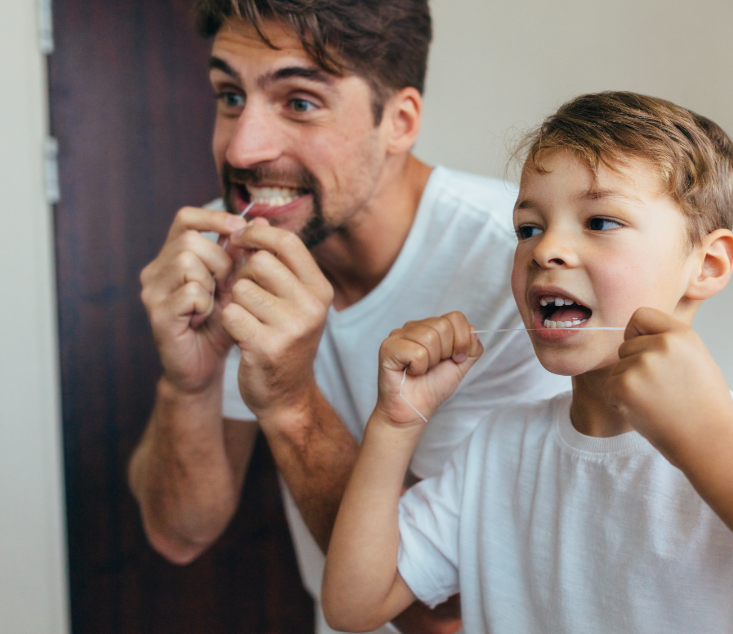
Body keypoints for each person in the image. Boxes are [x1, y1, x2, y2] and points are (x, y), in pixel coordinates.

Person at [321, 91, 733, 633]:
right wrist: (394, 426)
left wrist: (712, 439)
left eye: (600, 220)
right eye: (528, 228)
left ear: (708, 265)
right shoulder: (497, 450)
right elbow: (354, 604)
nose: (548, 251)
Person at [128, 1, 568, 633]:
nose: (244, 148)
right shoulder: (231, 253)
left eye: (299, 102)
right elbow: (179, 533)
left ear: (399, 120)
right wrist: (188, 383)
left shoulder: (522, 271)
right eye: (229, 95)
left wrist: (290, 404)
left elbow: (448, 615)